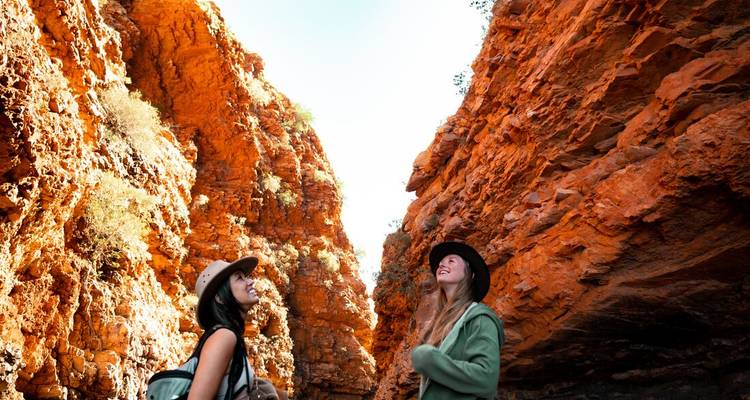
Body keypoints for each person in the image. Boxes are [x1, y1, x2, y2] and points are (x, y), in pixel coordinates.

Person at [411, 241, 505, 400]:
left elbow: (486, 380)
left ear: (471, 273)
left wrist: (430, 359)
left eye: (451, 261)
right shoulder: (442, 326)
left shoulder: (481, 318)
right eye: (440, 264)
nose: (441, 265)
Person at [188, 256, 283, 400]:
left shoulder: (227, 336)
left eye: (246, 277)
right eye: (239, 278)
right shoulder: (224, 336)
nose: (250, 281)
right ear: (219, 298)